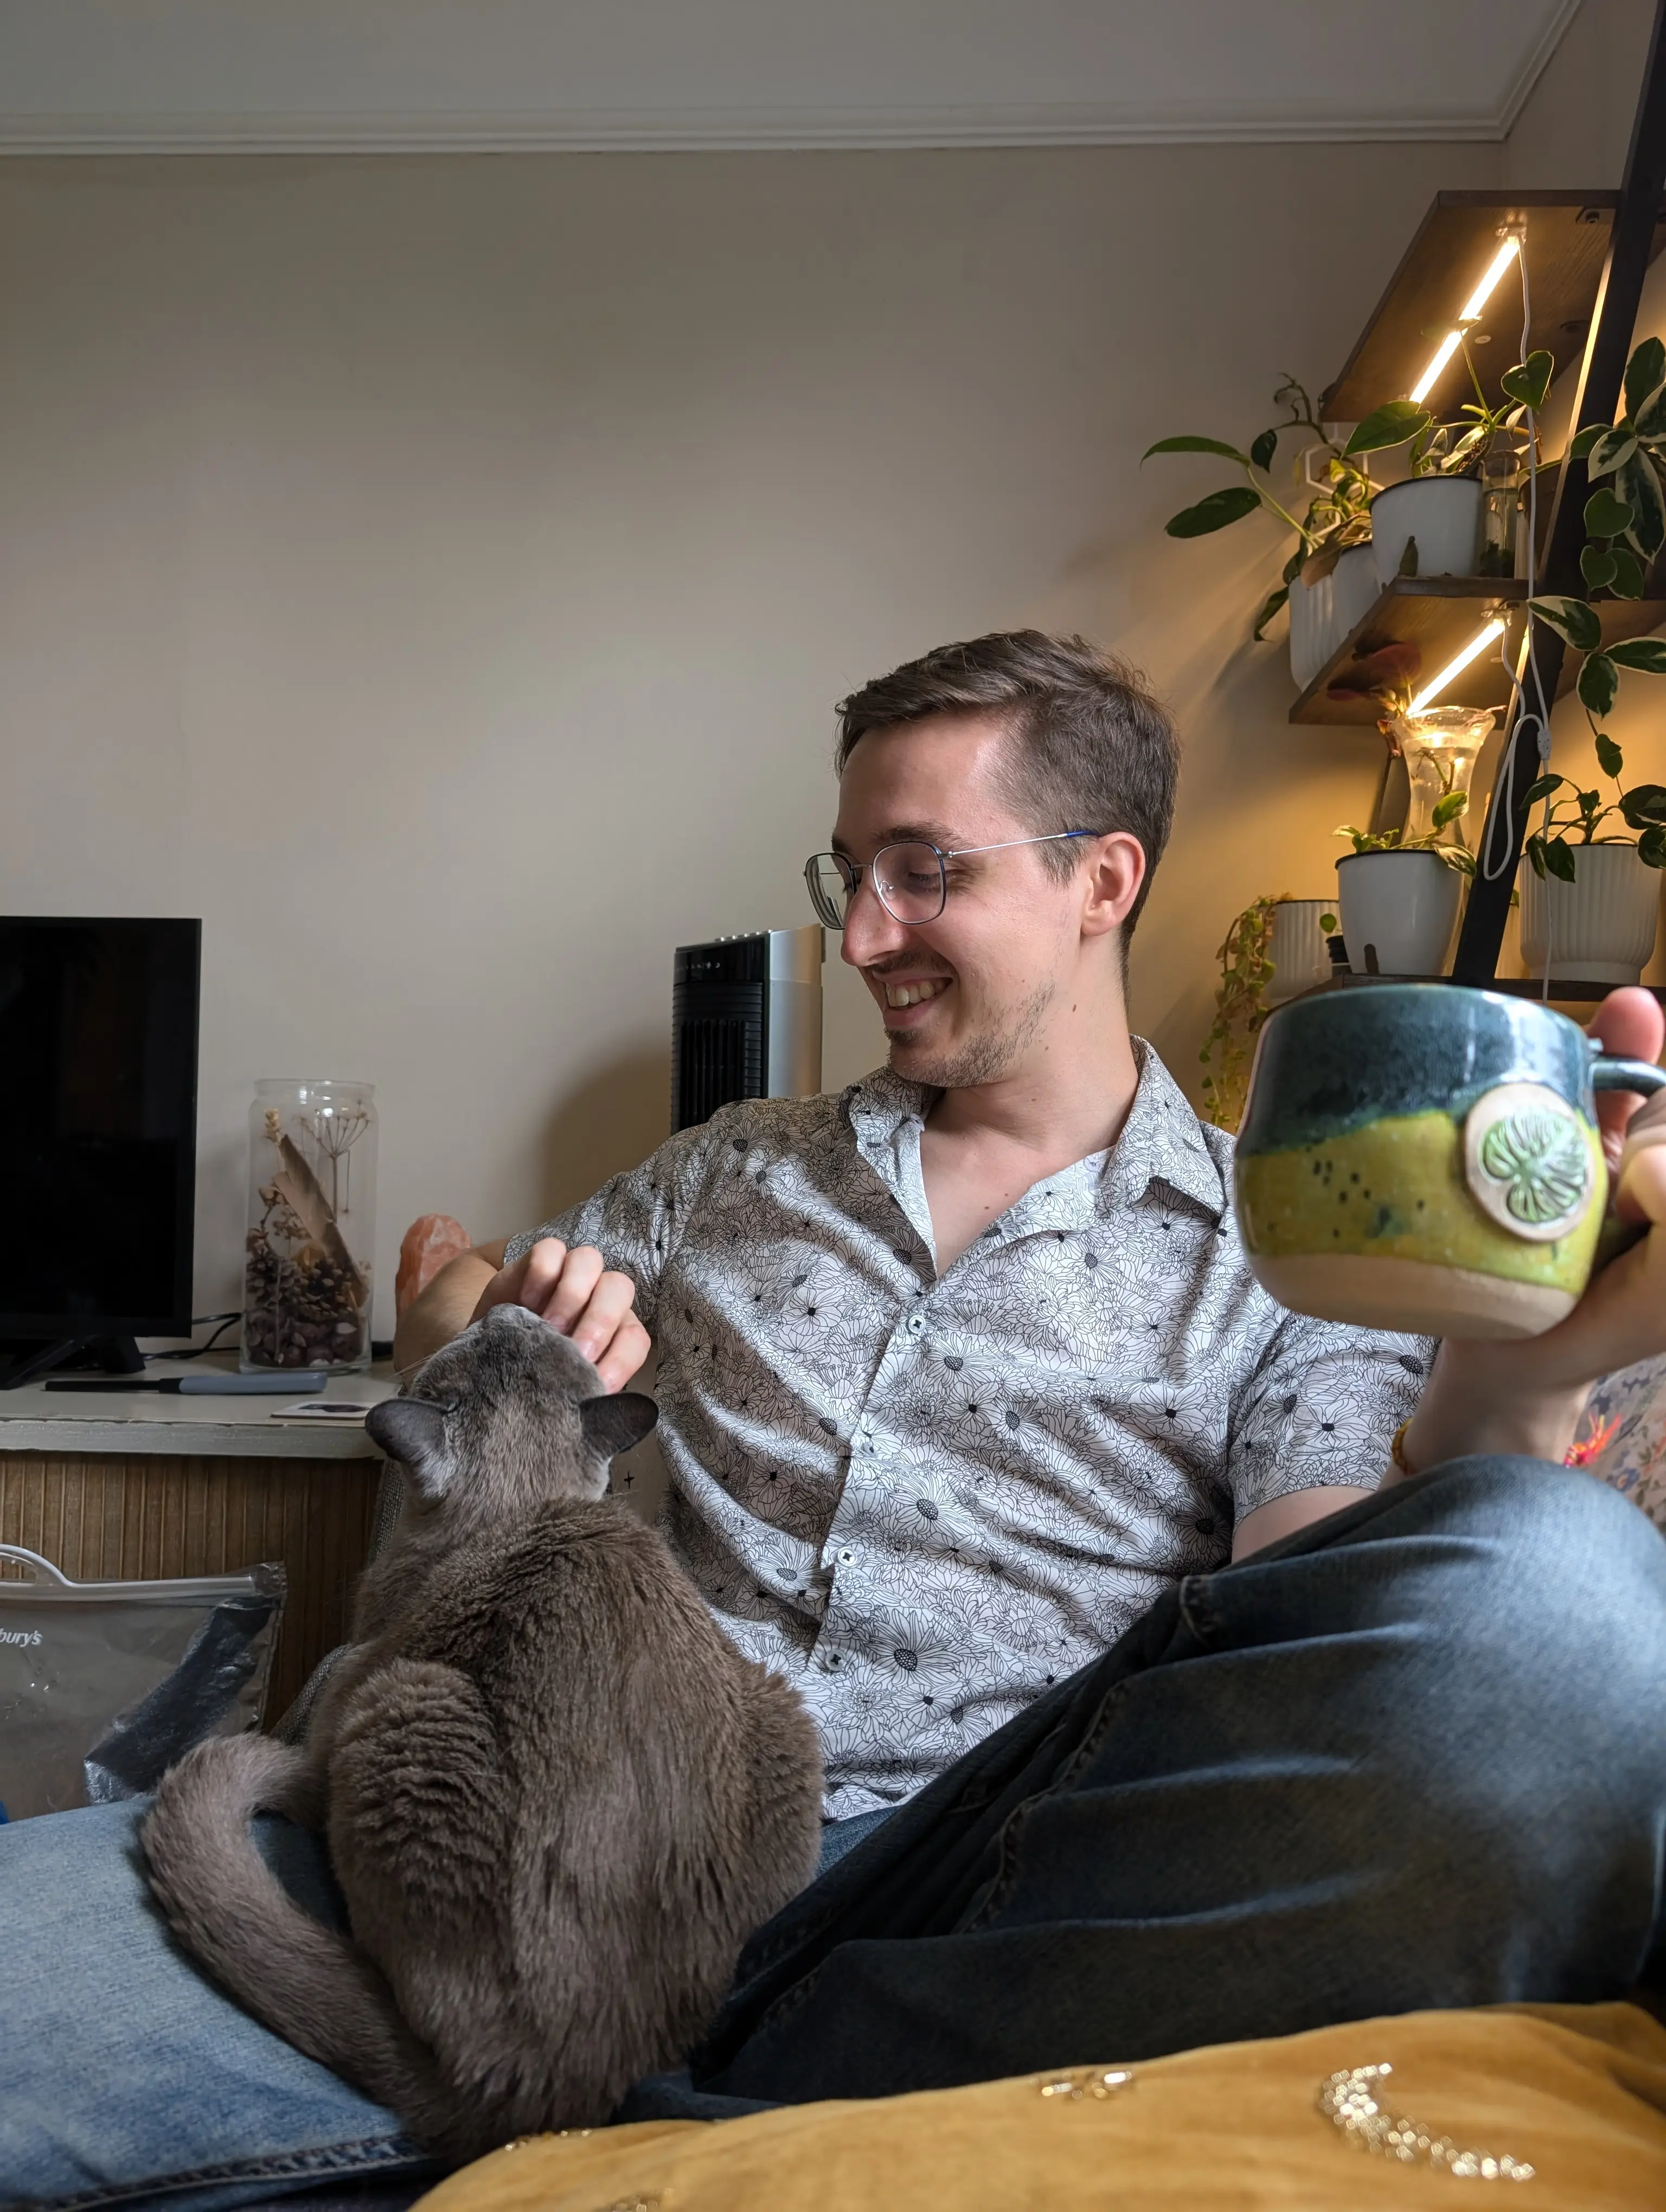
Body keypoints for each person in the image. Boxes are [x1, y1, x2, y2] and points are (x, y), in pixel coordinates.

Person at [4, 633, 1664, 2209]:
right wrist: (493, 1326)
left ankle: (704, 2111)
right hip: (574, 1860)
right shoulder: (736, 1169)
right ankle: (664, 2103)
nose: (863, 935)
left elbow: (1328, 1622)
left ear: (1105, 881)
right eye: (849, 877)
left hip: (968, 1905)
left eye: (927, 870)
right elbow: (459, 1294)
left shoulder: (1265, 1242)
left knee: (1557, 1593)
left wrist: (1525, 1378)